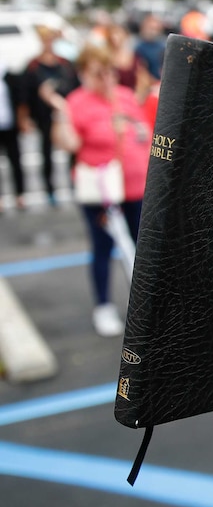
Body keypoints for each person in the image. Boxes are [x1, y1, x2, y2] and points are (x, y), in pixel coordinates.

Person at [40, 45, 152, 337]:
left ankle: (144, 307)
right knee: (103, 247)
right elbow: (70, 144)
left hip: (137, 187)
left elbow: (145, 133)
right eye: (97, 73)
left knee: (142, 248)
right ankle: (103, 306)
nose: (105, 78)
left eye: (108, 71)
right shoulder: (77, 103)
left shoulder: (125, 97)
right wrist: (61, 113)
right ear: (84, 74)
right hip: (103, 192)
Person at [18, 23, 79, 207]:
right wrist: (24, 117)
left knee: (72, 150)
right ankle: (50, 190)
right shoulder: (33, 65)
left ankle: (74, 184)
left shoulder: (65, 63)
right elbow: (24, 94)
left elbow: (75, 87)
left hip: (67, 112)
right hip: (44, 115)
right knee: (46, 151)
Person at [0, 60, 25, 212]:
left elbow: (19, 97)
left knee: (15, 160)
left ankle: (19, 195)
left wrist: (21, 118)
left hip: (9, 124)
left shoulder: (8, 75)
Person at [134, 14, 166, 82]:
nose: (153, 32)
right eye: (151, 28)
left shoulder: (164, 46)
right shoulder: (137, 47)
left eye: (156, 29)